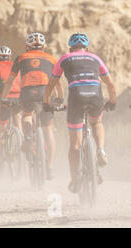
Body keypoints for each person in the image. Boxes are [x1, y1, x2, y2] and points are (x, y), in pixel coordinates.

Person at [43, 33, 116, 193]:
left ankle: (75, 180)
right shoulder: (95, 58)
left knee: (75, 144)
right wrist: (112, 102)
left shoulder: (65, 58)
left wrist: (46, 102)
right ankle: (101, 149)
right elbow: (110, 84)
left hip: (76, 98)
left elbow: (52, 83)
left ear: (70, 48)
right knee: (96, 122)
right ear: (87, 48)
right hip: (96, 96)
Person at [1, 33, 63, 180]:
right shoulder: (52, 59)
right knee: (48, 131)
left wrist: (4, 98)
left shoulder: (21, 57)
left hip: (27, 93)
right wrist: (60, 98)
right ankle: (49, 168)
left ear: (27, 47)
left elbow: (10, 81)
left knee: (27, 116)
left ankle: (28, 137)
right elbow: (57, 82)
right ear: (44, 46)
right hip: (45, 93)